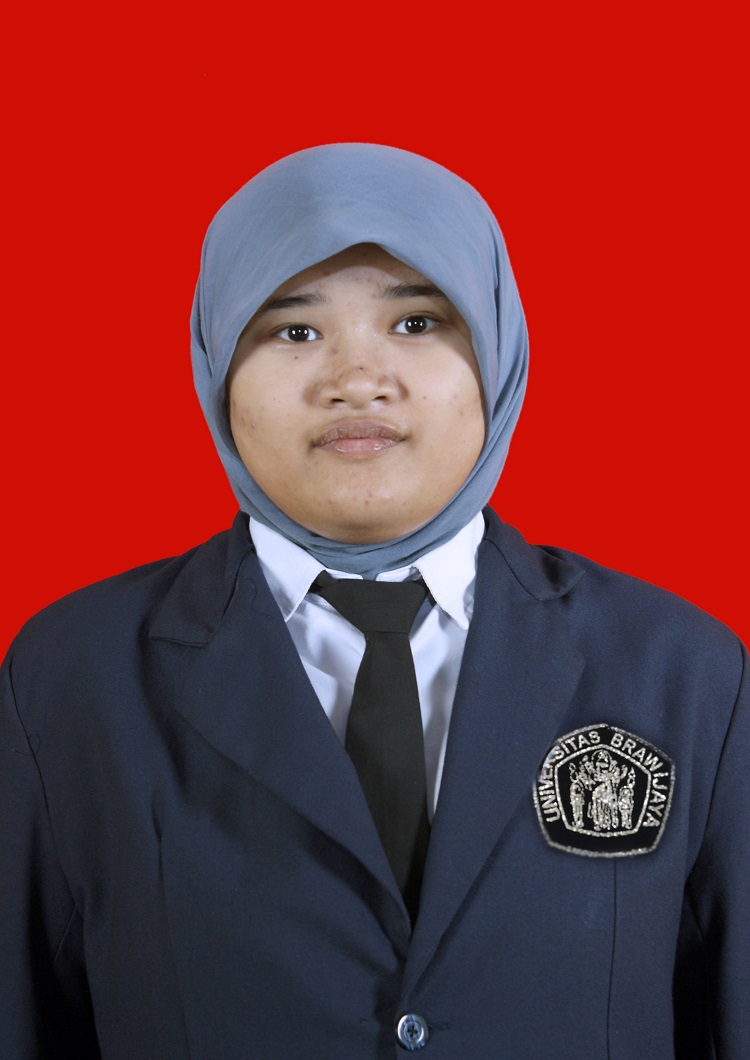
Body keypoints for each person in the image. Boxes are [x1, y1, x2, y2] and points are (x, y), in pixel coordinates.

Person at [1, 144, 747, 1059]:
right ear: (217, 363)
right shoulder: (70, 677)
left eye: (417, 321)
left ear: (498, 351)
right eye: (294, 332)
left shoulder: (683, 673)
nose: (357, 380)